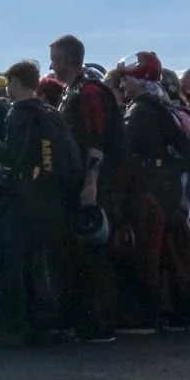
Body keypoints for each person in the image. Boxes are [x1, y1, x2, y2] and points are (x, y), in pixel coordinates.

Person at [0, 61, 78, 343]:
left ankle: (23, 323)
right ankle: (53, 317)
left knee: (20, 258)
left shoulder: (19, 114)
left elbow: (14, 156)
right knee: (47, 257)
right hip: (51, 195)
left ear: (15, 81)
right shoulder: (48, 113)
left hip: (25, 194)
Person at [119, 54, 190, 333]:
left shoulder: (140, 110)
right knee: (176, 253)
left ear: (140, 80)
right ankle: (186, 313)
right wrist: (168, 169)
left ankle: (145, 316)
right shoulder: (163, 108)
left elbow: (125, 152)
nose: (123, 84)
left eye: (127, 79)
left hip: (147, 192)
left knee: (148, 253)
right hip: (167, 193)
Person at [50, 36, 122, 342]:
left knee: (95, 251)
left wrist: (91, 182)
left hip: (95, 184)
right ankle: (84, 319)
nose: (52, 64)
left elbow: (97, 139)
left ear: (65, 59)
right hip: (80, 181)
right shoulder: (74, 92)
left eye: (54, 58)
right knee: (82, 253)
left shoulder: (89, 92)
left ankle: (100, 322)